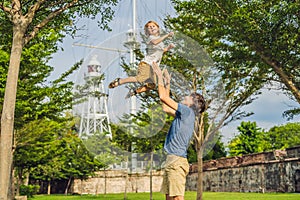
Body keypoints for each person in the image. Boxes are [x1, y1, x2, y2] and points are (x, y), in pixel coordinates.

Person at [152, 62, 206, 200]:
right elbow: (165, 107)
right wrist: (167, 83)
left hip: (176, 161)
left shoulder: (187, 111)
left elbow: (163, 97)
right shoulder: (184, 114)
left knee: (177, 198)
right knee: (169, 198)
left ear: (192, 102)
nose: (185, 97)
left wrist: (159, 77)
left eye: (188, 97)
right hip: (172, 160)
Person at [108, 20, 174, 98]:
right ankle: (120, 81)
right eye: (149, 27)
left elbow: (161, 51)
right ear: (147, 31)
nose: (152, 28)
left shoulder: (160, 41)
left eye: (153, 26)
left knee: (152, 85)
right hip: (146, 64)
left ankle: (135, 92)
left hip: (153, 67)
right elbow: (155, 42)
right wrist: (167, 35)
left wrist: (169, 47)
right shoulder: (150, 38)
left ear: (158, 28)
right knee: (140, 78)